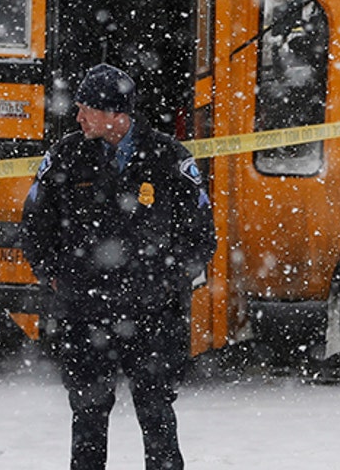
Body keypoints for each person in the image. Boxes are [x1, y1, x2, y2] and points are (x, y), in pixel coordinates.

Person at [21, 63, 217, 470]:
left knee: (157, 418)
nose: (77, 118)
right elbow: (35, 224)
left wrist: (166, 282)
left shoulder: (168, 157)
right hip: (85, 314)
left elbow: (200, 236)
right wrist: (57, 276)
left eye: (86, 109)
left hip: (151, 315)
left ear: (115, 113)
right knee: (88, 421)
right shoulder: (66, 155)